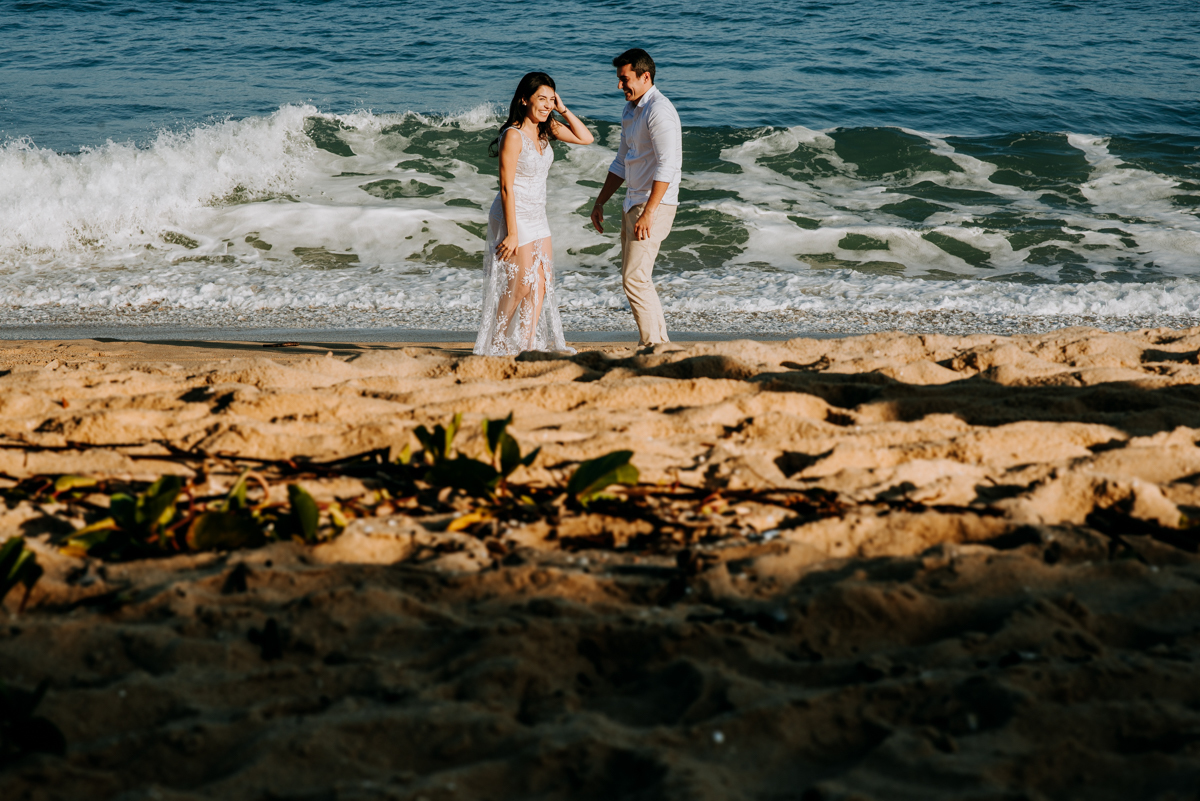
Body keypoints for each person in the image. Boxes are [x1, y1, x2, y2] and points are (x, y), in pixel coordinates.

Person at [473, 72, 594, 356]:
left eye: (551, 100)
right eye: (542, 99)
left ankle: (526, 345)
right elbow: (505, 187)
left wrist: (561, 109)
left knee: (540, 283)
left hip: (537, 214)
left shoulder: (547, 128)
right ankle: (496, 343)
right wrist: (512, 234)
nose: (547, 105)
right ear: (524, 99)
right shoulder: (512, 136)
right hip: (512, 213)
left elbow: (585, 138)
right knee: (521, 284)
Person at [589, 48, 682, 347]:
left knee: (635, 279)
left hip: (653, 204)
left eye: (624, 79)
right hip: (633, 202)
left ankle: (652, 345)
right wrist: (601, 201)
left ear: (645, 76)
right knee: (638, 278)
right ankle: (659, 343)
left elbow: (669, 165)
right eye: (618, 79)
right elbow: (621, 162)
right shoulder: (631, 110)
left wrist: (649, 212)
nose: (619, 85)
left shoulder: (659, 111)